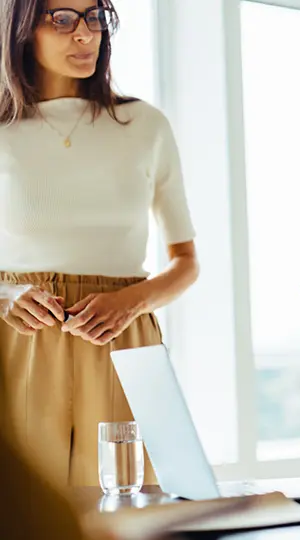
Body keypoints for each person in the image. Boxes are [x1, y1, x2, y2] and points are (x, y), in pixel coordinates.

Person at [0, 0, 199, 487]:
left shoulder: (145, 126)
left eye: (95, 17)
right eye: (63, 19)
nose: (86, 34)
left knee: (139, 507)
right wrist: (5, 295)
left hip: (125, 338)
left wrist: (131, 301)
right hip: (16, 343)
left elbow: (185, 261)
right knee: (23, 514)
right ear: (22, 28)